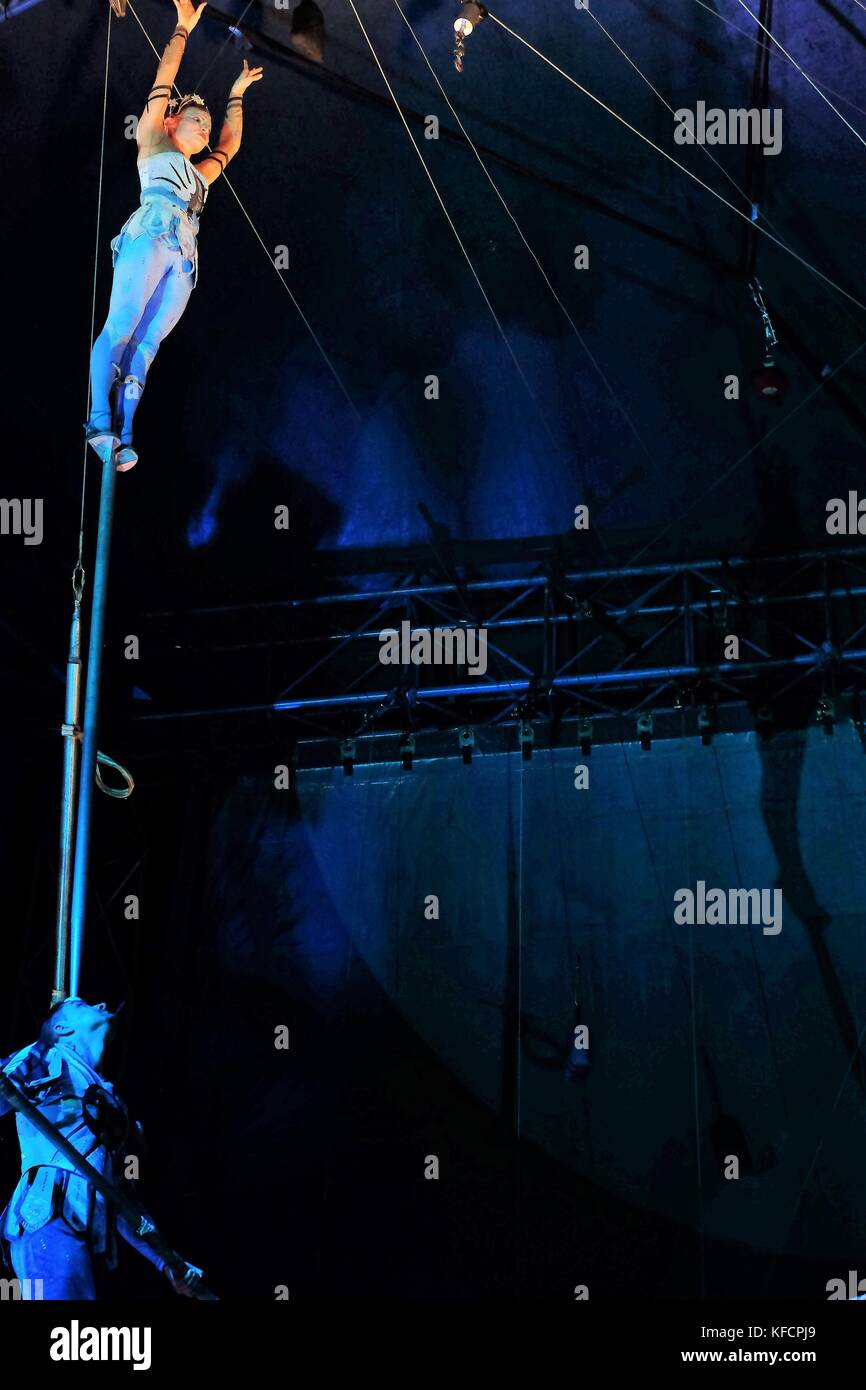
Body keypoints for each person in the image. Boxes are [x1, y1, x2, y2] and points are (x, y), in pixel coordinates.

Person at [85, 0, 263, 471]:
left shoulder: (202, 173)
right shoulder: (153, 139)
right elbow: (164, 82)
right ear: (169, 121)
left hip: (185, 254)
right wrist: (182, 30)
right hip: (150, 233)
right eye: (193, 113)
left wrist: (237, 94)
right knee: (121, 327)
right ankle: (99, 419)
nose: (202, 120)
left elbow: (231, 144)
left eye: (205, 119)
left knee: (147, 346)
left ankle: (124, 432)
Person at [0, 997, 203, 1299]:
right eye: (83, 1006)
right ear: (61, 1028)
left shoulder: (109, 1100)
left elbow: (122, 1201)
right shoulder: (49, 1055)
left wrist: (165, 1261)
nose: (103, 1003)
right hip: (48, 1222)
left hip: (87, 1239)